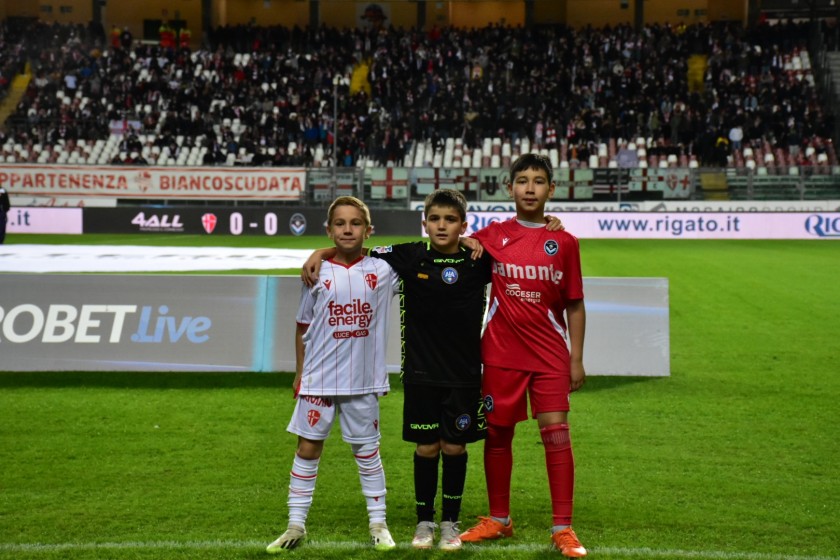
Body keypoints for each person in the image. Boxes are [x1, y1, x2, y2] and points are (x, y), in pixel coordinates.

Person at [302, 189, 564, 551]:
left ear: (463, 225)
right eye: (436, 219)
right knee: (427, 448)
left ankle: (450, 524)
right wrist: (322, 252)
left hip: (465, 375)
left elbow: (521, 253)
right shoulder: (408, 256)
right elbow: (356, 252)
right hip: (422, 374)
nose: (442, 226)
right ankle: (424, 522)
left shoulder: (479, 260)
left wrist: (548, 227)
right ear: (424, 223)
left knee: (454, 449)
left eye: (450, 220)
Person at [458, 153, 588, 557]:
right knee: (497, 434)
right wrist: (467, 240)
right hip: (500, 352)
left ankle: (563, 528)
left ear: (552, 189)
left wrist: (576, 358)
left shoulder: (564, 242)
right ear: (509, 188)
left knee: (556, 434)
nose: (529, 187)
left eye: (538, 181)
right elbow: (452, 240)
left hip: (550, 355)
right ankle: (499, 519)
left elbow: (574, 304)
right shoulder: (493, 235)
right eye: (522, 180)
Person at [266, 196, 399, 553]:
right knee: (307, 449)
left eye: (355, 223)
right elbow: (302, 326)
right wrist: (299, 373)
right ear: (329, 229)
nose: (347, 229)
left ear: (368, 230)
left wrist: (321, 249)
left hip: (363, 381)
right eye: (339, 224)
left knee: (367, 452)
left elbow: (424, 249)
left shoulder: (383, 270)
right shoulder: (315, 273)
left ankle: (378, 523)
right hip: (318, 379)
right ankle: (295, 524)